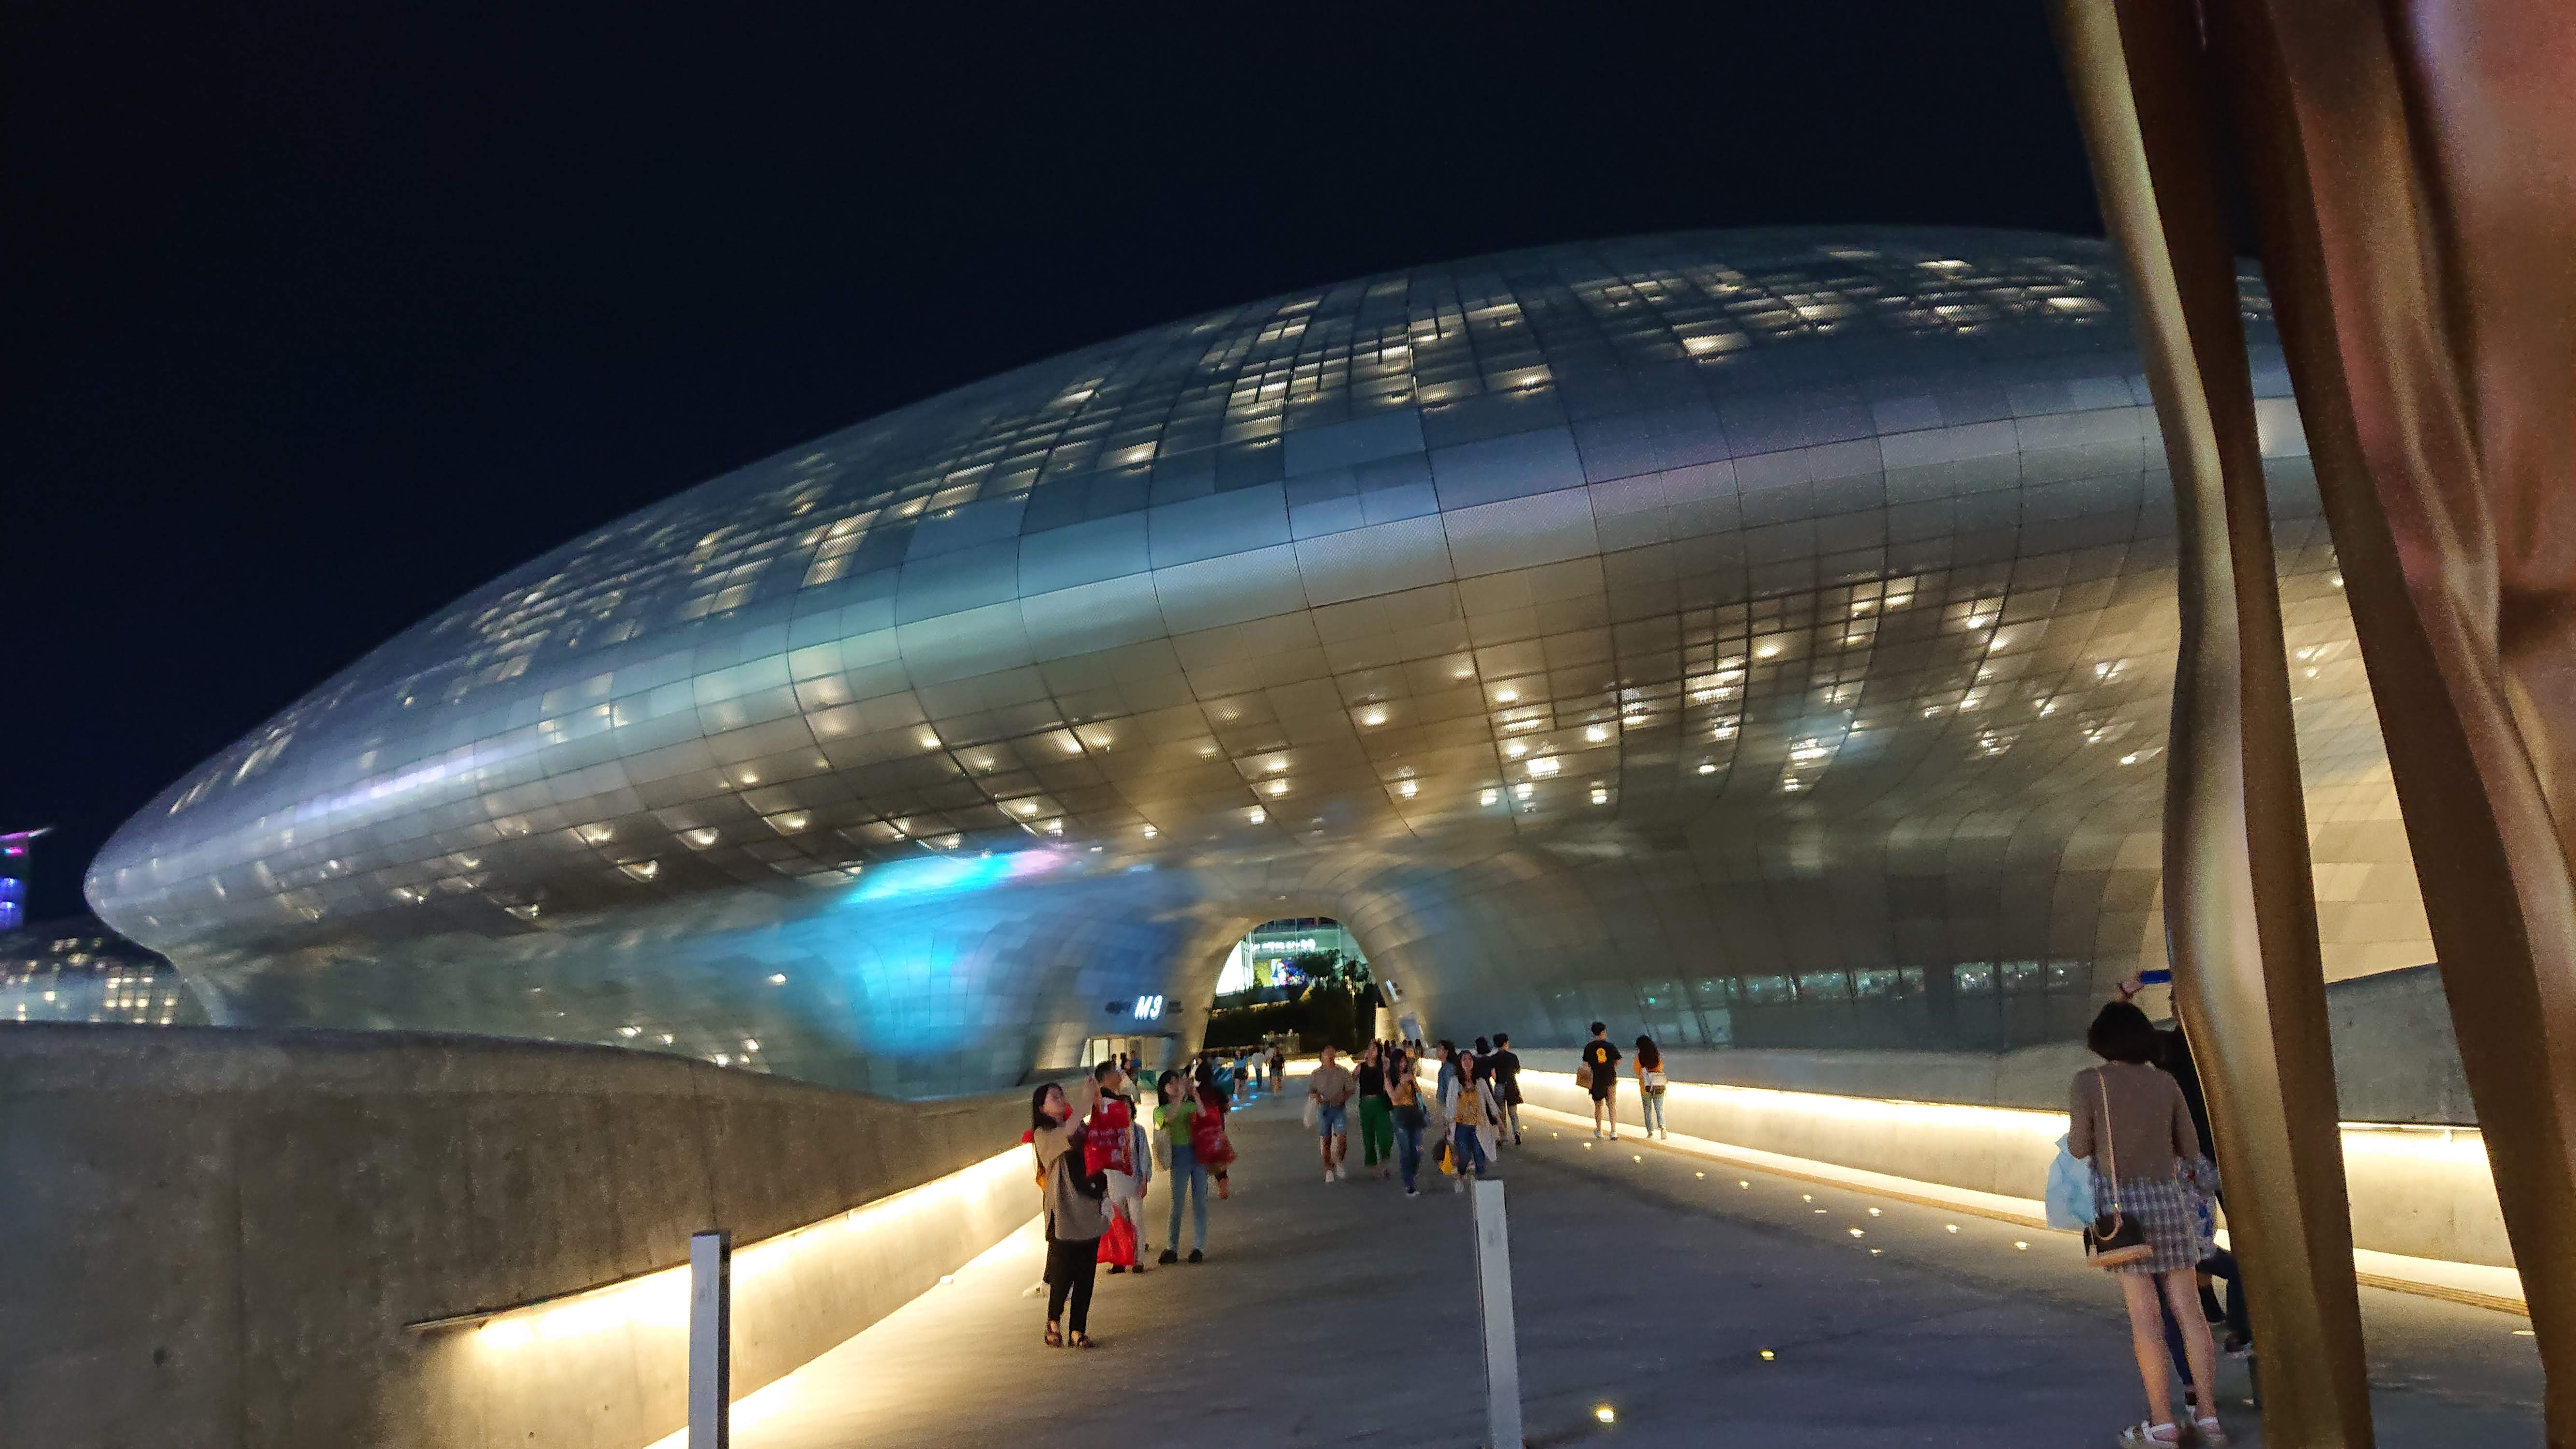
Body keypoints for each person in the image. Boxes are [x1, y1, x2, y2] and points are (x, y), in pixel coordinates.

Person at [2071, 1001, 2225, 1447]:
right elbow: (2189, 1146)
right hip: (2170, 1205)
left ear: (2100, 1041)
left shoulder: (2089, 1082)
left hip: (2124, 1214)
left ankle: (2161, 1426)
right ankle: (2208, 1420)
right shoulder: (2165, 1082)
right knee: (2190, 1313)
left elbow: (2079, 1146)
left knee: (2145, 1319)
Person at [1029, 1078, 1106, 1348]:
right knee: (1063, 1272)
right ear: (1041, 1108)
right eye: (1054, 1097)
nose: (1060, 1099)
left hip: (1087, 1204)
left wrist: (1096, 1100)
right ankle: (1053, 1321)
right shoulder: (1043, 1134)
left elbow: (1097, 1139)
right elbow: (1067, 1133)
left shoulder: (1078, 1126)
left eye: (1061, 1095)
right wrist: (1086, 1100)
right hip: (1063, 1209)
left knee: (1086, 1273)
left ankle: (1077, 1330)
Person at [1088, 1062, 1148, 1275]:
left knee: (1129, 1219)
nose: (1120, 1075)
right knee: (1120, 1220)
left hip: (1124, 1175)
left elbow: (1141, 1153)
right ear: (1106, 1078)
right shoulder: (1105, 1103)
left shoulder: (1131, 1123)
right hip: (1115, 1174)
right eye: (1115, 1073)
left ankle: (1132, 1258)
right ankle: (1124, 1258)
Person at [1153, 1072, 1208, 1264]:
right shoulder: (1160, 1110)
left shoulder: (1189, 1105)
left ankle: (1199, 1247)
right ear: (1163, 1089)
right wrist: (1180, 1098)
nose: (1176, 1085)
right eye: (1171, 1083)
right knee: (1177, 1203)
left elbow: (1204, 1115)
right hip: (1178, 1156)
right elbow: (1168, 1120)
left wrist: (1196, 1096)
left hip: (1198, 1153)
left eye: (1177, 1082)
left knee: (1200, 1202)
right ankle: (1172, 1247)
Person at [1440, 1054, 1501, 1189]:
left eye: (1470, 1059)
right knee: (1464, 1155)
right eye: (1464, 1060)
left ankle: (1481, 1186)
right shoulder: (1455, 1082)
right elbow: (1450, 1104)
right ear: (1460, 1063)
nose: (1468, 1062)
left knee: (1480, 1157)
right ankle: (1462, 1173)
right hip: (1461, 1126)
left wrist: (1499, 1121)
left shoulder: (1480, 1082)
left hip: (1479, 1126)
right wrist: (1447, 1124)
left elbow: (1490, 1101)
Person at [1308, 1044, 1357, 1182]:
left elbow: (1351, 1089)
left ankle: (1339, 1162)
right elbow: (1311, 1091)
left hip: (1338, 1108)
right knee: (1326, 1139)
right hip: (1324, 1108)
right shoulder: (1316, 1074)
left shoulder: (1342, 1072)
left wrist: (1343, 1098)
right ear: (1323, 1056)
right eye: (1327, 1054)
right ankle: (1328, 1169)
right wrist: (1317, 1098)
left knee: (1342, 1138)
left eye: (1332, 1054)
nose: (1330, 1057)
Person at [1385, 1045, 1429, 1196]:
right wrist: (1403, 1082)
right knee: (1406, 1151)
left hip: (1414, 1114)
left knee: (1417, 1150)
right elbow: (1394, 1097)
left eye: (1404, 1061)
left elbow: (1419, 1093)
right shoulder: (1389, 1079)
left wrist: (1413, 1081)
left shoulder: (1408, 1076)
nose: (1403, 1065)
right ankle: (1409, 1185)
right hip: (1400, 1115)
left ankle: (1411, 1173)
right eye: (1400, 1062)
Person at [1192, 1063, 1237, 1200]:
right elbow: (1227, 1108)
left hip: (1200, 1132)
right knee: (1219, 1161)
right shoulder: (1217, 1090)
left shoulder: (1195, 1092)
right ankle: (1223, 1186)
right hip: (1217, 1130)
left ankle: (1202, 1191)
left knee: (1202, 1162)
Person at [1354, 1041, 1397, 1180]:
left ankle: (1383, 1163)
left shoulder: (1383, 1066)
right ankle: (1373, 1167)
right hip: (1365, 1104)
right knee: (1368, 1136)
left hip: (1380, 1102)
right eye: (1370, 1048)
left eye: (1374, 1049)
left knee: (1386, 1135)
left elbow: (1389, 1074)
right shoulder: (1360, 1068)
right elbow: (1350, 1082)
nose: (1371, 1051)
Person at [1580, 1023, 1623, 1138]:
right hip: (1610, 1078)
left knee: (1598, 1106)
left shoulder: (1589, 1048)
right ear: (1603, 1033)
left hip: (1596, 1081)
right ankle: (1613, 1131)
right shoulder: (1610, 1046)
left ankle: (1599, 1131)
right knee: (1612, 1105)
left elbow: (1585, 1065)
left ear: (1593, 1034)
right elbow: (1619, 1061)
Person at [1490, 1032, 1524, 1146]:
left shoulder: (1493, 1059)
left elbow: (1493, 1073)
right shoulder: (1513, 1057)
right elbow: (1518, 1071)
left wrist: (1498, 1079)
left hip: (1499, 1086)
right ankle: (1517, 1133)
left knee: (1501, 1114)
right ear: (1505, 1043)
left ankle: (1503, 1137)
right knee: (1513, 1114)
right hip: (1511, 1086)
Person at [1634, 1034, 1669, 1139]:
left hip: (1646, 1087)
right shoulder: (1657, 1056)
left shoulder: (1640, 1058)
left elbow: (1637, 1071)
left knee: (1648, 1109)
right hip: (1659, 1085)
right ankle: (1663, 1128)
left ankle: (1650, 1132)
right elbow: (1661, 1068)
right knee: (1659, 1108)